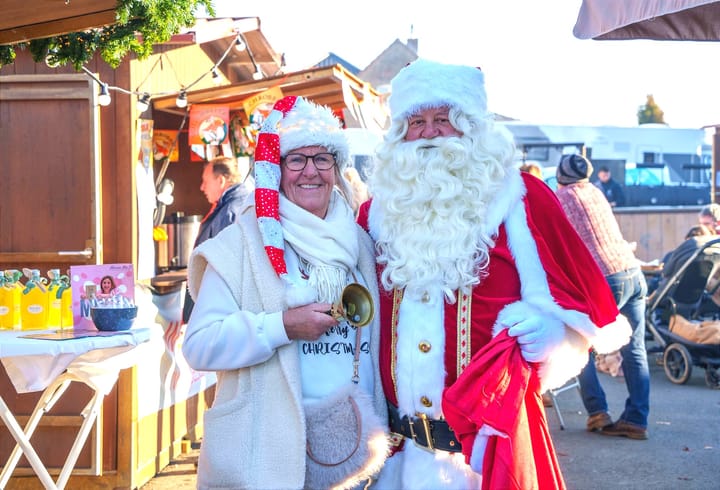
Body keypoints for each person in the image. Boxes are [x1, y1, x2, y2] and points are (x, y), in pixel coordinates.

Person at [358, 58, 631, 489]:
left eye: (444, 120)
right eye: (417, 122)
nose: (429, 133)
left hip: (487, 457)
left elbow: (582, 313)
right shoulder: (375, 214)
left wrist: (554, 338)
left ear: (472, 127)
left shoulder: (521, 200)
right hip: (397, 459)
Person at [182, 96, 387, 489]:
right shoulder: (241, 244)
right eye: (296, 159)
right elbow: (200, 346)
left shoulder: (360, 242)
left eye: (322, 158)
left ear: (337, 169)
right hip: (265, 458)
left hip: (353, 460)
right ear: (276, 170)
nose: (310, 171)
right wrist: (281, 327)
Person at [555, 153, 651, 441]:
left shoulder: (562, 198)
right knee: (634, 349)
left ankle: (598, 412)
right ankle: (636, 419)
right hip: (632, 272)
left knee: (581, 344)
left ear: (560, 178)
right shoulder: (595, 191)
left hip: (604, 278)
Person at [181, 155, 253, 323]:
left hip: (223, 307)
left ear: (220, 180)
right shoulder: (231, 205)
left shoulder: (231, 210)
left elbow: (226, 264)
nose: (202, 187)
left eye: (205, 181)